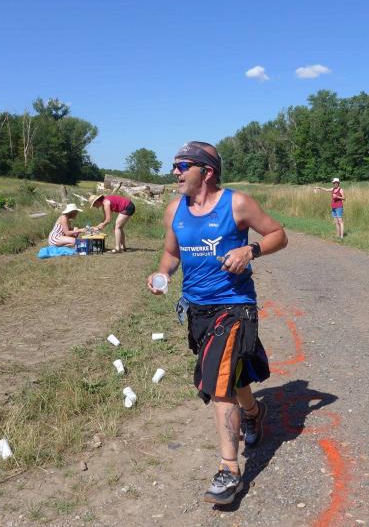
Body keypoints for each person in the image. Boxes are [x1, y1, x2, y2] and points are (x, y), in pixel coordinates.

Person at [147, 141, 287, 505]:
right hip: (197, 309)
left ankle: (229, 470)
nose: (175, 172)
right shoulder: (175, 209)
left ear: (206, 171)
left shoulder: (236, 204)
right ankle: (254, 413)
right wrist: (162, 274)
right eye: (175, 165)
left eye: (182, 166)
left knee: (219, 382)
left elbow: (278, 234)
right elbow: (171, 253)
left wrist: (250, 250)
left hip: (235, 306)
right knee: (232, 375)